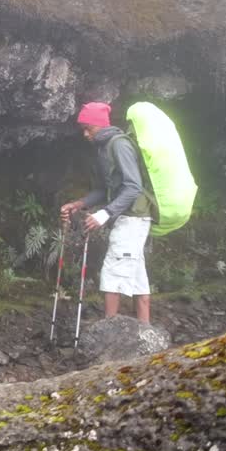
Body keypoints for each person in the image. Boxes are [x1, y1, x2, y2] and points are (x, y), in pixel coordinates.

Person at [60, 102, 154, 324]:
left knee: (112, 272)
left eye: (88, 128)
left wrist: (103, 214)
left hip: (132, 218)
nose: (85, 134)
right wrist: (79, 204)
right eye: (83, 129)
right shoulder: (103, 148)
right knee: (138, 279)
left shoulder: (119, 145)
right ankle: (145, 330)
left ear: (100, 124)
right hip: (128, 217)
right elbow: (104, 189)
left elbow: (133, 186)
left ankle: (109, 330)